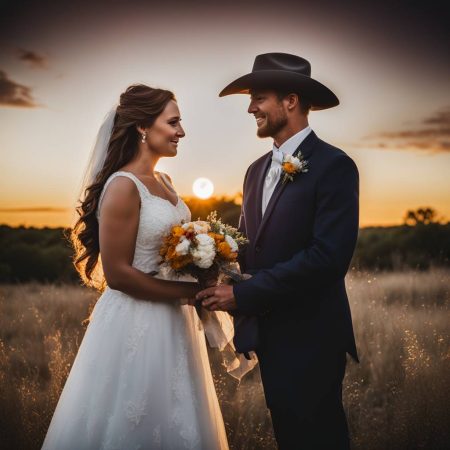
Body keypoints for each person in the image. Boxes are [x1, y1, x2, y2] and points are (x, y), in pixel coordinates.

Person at [42, 84, 229, 450]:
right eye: (173, 123)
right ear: (143, 127)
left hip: (175, 322)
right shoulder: (123, 187)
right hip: (136, 323)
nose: (182, 132)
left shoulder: (165, 181)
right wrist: (192, 293)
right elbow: (118, 274)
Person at [197, 53, 359, 449]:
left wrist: (243, 293)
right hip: (270, 334)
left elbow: (328, 258)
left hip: (313, 335)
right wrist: (199, 257)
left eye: (258, 98)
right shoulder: (255, 171)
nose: (250, 107)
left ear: (291, 101)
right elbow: (248, 246)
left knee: (320, 437)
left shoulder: (334, 165)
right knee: (290, 437)